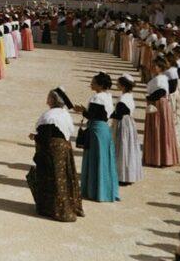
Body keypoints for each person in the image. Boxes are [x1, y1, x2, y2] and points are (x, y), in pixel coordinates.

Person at [26, 87, 83, 222]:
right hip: (65, 148)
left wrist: (35, 137)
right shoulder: (64, 114)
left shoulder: (49, 116)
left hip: (52, 150)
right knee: (65, 176)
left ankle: (55, 209)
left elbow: (45, 135)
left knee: (53, 178)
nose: (47, 100)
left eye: (48, 98)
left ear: (52, 100)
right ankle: (70, 206)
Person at [73, 72, 119, 203]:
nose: (91, 84)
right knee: (104, 159)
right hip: (104, 130)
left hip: (96, 130)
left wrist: (82, 110)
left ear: (100, 85)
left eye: (93, 82)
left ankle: (95, 191)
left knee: (95, 159)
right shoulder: (108, 97)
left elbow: (92, 115)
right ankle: (105, 190)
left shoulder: (96, 98)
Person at [143, 60, 179, 167]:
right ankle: (160, 157)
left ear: (161, 68)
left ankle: (160, 158)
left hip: (159, 104)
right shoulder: (160, 78)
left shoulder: (161, 79)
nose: (153, 67)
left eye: (155, 66)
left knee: (158, 128)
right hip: (159, 104)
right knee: (159, 128)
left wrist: (149, 98)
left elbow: (161, 92)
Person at [110, 73, 144, 185]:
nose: (116, 84)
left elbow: (118, 115)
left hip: (123, 124)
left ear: (123, 85)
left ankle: (122, 175)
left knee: (122, 148)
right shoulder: (129, 95)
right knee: (128, 148)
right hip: (129, 123)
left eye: (118, 83)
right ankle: (126, 174)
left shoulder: (123, 98)